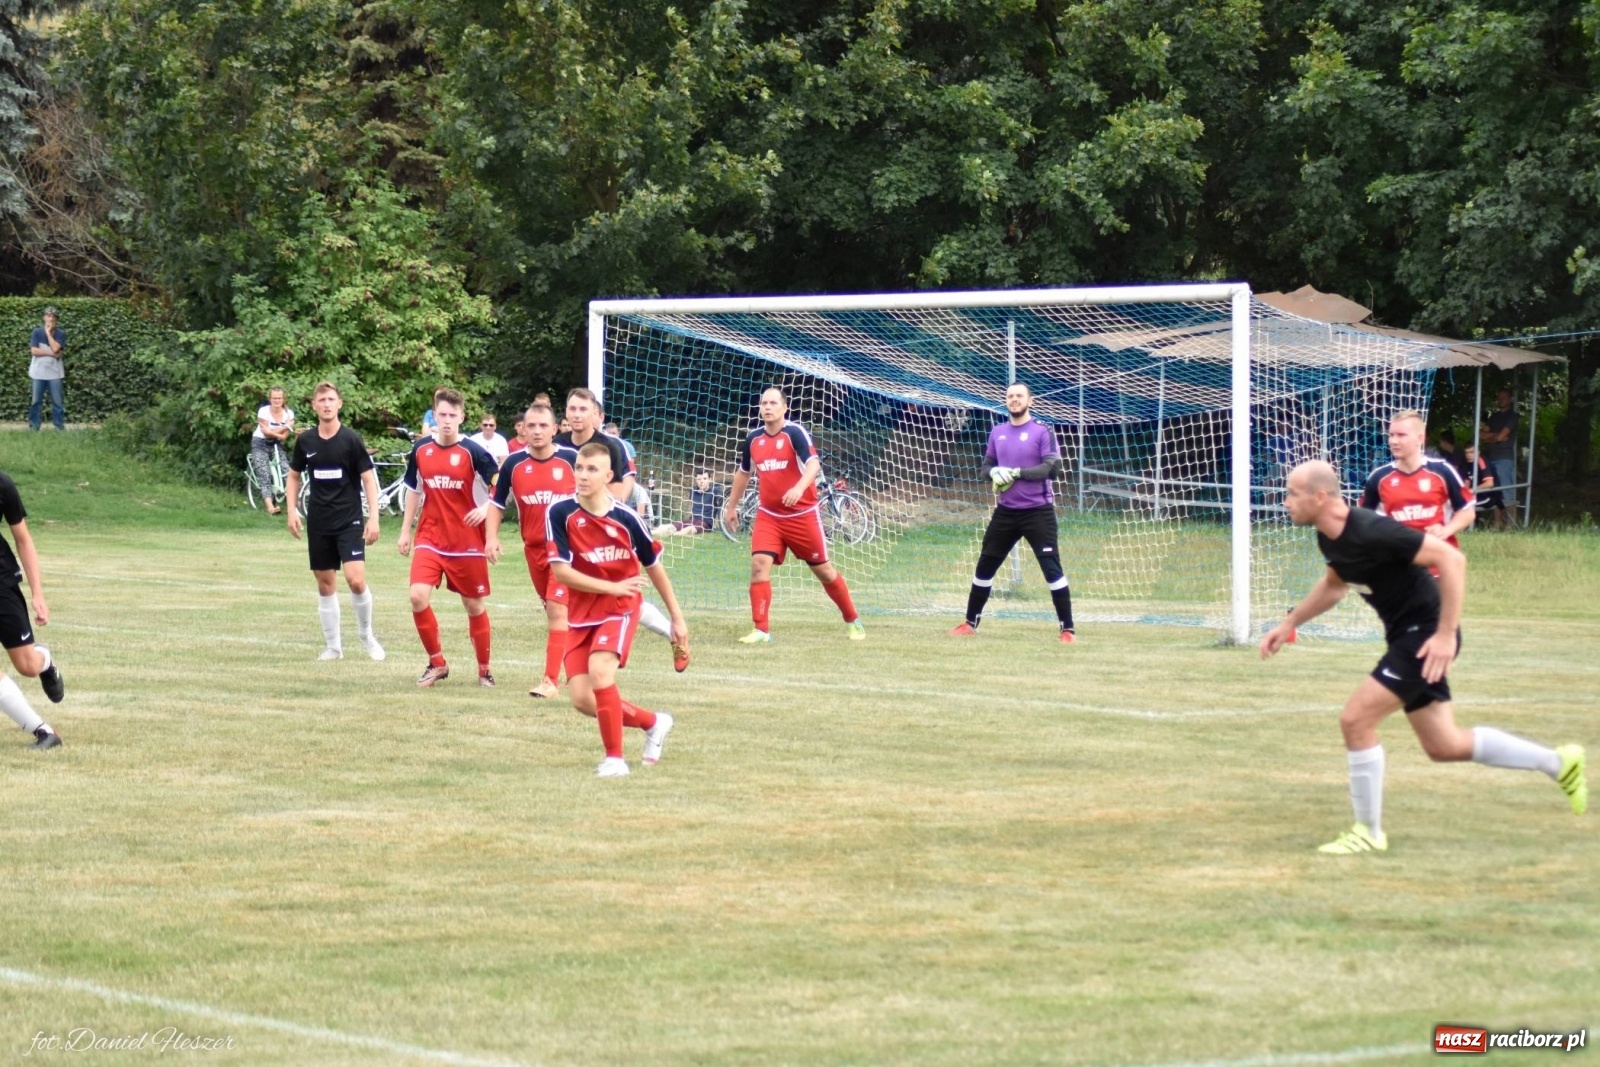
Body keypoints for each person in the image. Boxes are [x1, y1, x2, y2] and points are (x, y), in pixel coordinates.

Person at [1260, 461, 1585, 854]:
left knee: (1355, 720)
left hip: (1426, 636)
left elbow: (1452, 561)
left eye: (1292, 493)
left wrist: (1446, 634)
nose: (1285, 501)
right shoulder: (1329, 537)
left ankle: (1368, 832)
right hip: (1407, 636)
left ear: (1320, 497)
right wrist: (1288, 623)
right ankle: (1559, 762)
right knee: (1444, 745)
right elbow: (1335, 584)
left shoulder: (1374, 531)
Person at [548, 442, 688, 777]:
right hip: (582, 611)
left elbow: (653, 566)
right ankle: (654, 723)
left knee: (600, 672)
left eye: (592, 469)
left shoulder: (627, 519)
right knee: (582, 700)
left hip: (621, 608)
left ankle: (615, 759)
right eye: (579, 468)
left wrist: (677, 620)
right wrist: (611, 585)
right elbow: (561, 572)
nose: (582, 475)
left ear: (609, 475)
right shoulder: (560, 512)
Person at [724, 386, 864, 643]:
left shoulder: (795, 433)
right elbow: (744, 473)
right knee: (758, 566)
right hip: (769, 516)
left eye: (773, 403)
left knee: (824, 571)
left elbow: (813, 464)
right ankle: (761, 630)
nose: (767, 407)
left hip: (802, 516)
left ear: (784, 407)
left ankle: (853, 619)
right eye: (764, 403)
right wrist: (731, 506)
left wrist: (799, 488)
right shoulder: (753, 439)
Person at [556, 389, 684, 665]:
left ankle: (672, 630)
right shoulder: (559, 444)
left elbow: (626, 480)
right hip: (573, 526)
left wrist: (610, 512)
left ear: (596, 414)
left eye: (583, 409)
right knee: (582, 593)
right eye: (572, 409)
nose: (577, 414)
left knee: (620, 592)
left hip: (609, 526)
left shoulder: (610, 445)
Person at [949, 382, 1076, 643]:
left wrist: (1017, 472)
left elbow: (1052, 469)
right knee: (985, 565)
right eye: (1010, 396)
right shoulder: (998, 432)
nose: (1014, 399)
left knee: (1051, 569)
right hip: (1006, 512)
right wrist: (994, 472)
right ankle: (970, 623)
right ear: (1006, 401)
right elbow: (985, 468)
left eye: (1019, 396)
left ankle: (1067, 630)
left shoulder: (1043, 431)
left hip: (1038, 512)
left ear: (1030, 401)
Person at [397, 387, 501, 687]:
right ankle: (437, 662)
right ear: (434, 415)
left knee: (474, 606)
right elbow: (415, 490)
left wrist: (484, 509)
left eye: (452, 415)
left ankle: (484, 670)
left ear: (462, 417)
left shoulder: (475, 452)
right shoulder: (421, 450)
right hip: (430, 537)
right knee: (417, 595)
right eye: (441, 414)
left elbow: (500, 487)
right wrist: (406, 531)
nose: (446, 421)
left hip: (467, 541)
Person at [484, 402, 580, 699]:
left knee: (556, 610)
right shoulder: (512, 464)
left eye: (543, 426)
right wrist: (491, 537)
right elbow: (497, 503)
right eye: (531, 426)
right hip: (533, 549)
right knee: (557, 611)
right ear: (522, 430)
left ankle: (550, 681)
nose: (537, 431)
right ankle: (578, 663)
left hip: (567, 550)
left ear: (555, 429)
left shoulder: (572, 460)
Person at [285, 382, 385, 662]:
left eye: (331, 399)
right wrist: (291, 510)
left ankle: (367, 636)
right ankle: (333, 647)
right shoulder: (306, 442)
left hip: (349, 520)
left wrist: (373, 517)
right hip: (319, 521)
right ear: (314, 406)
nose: (326, 404)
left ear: (339, 403)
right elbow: (294, 476)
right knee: (326, 584)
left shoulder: (351, 439)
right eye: (321, 400)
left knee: (355, 580)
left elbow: (367, 478)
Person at [0, 469, 64, 749]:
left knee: (27, 666)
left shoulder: (2, 485)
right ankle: (44, 732)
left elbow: (23, 539)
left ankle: (45, 660)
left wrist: (38, 593)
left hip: (1, 583)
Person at [1360, 410, 1474, 552]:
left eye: (1401, 435)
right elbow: (1363, 521)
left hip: (1438, 563)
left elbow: (1467, 511)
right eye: (1391, 435)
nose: (1394, 441)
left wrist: (1446, 530)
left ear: (1420, 438)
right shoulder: (1379, 478)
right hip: (1397, 564)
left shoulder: (1442, 471)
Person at [249, 386, 296, 516]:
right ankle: (270, 507)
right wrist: (285, 426)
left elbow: (284, 437)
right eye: (274, 398)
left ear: (283, 399)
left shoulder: (289, 413)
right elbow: (265, 433)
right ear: (270, 399)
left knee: (287, 470)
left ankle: (294, 504)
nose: (277, 400)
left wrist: (273, 432)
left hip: (276, 444)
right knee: (264, 473)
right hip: (259, 442)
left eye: (279, 398)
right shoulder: (263, 411)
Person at [1481, 389, 1519, 529]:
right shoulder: (1494, 416)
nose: (1501, 400)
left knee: (1506, 490)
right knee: (1495, 492)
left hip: (1504, 459)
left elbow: (1501, 437)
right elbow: (1481, 434)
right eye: (1499, 397)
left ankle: (1511, 524)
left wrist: (1493, 437)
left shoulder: (1512, 416)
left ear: (1510, 399)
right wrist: (1495, 437)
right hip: (1490, 457)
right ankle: (1497, 524)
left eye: (1504, 397)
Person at [27, 307, 66, 432]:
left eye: (54, 316)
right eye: (48, 316)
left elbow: (56, 349)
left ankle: (59, 427)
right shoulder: (37, 332)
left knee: (57, 403)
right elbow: (34, 351)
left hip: (55, 374)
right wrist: (52, 353)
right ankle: (34, 427)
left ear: (57, 319)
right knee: (36, 402)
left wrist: (49, 334)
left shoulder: (61, 334)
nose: (51, 318)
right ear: (44, 317)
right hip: (38, 373)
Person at [657, 470, 725, 535]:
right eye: (699, 479)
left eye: (704, 479)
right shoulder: (693, 491)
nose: (702, 481)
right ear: (696, 480)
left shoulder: (715, 491)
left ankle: (674, 535)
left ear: (709, 480)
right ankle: (653, 532)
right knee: (672, 527)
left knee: (690, 529)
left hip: (705, 523)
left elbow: (723, 501)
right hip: (692, 520)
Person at [1462, 443, 1505, 518]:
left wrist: (1472, 490)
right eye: (1467, 452)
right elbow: (1467, 481)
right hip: (1478, 493)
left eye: (1472, 452)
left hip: (1491, 493)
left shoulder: (1482, 461)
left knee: (1467, 504)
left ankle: (1496, 526)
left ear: (1478, 452)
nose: (1469, 455)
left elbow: (1489, 483)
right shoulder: (1466, 463)